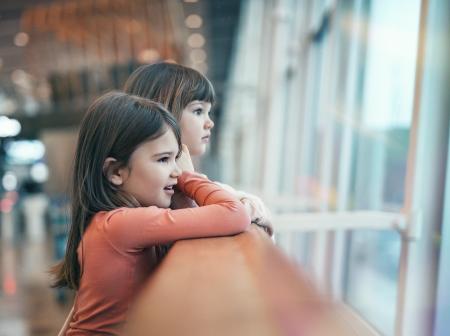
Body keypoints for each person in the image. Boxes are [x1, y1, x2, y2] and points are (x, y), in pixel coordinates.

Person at [52, 92, 250, 335]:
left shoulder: (114, 222)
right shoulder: (123, 224)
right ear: (116, 171)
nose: (176, 171)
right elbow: (234, 213)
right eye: (164, 159)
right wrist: (189, 177)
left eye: (177, 158)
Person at [123, 62, 273, 235]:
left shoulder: (166, 183)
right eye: (198, 111)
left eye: (208, 112)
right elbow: (237, 214)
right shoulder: (151, 192)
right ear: (164, 112)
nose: (210, 123)